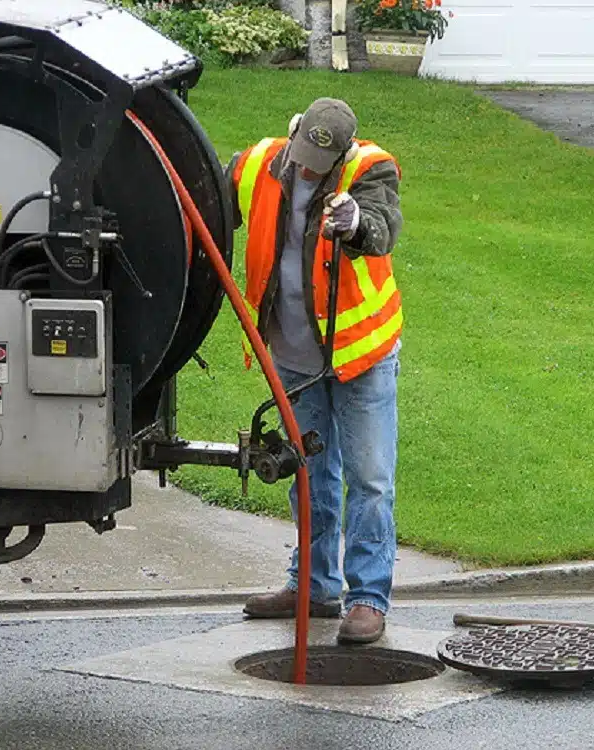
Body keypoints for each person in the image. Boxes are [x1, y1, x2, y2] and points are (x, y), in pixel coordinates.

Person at [225, 97, 404, 644]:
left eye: (318, 163)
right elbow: (200, 196)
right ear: (294, 131)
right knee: (309, 478)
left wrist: (355, 225)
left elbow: (382, 224)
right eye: (301, 154)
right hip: (295, 357)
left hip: (359, 356)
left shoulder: (370, 169)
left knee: (369, 480)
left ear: (342, 152)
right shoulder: (258, 163)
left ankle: (368, 599)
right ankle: (313, 586)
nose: (305, 169)